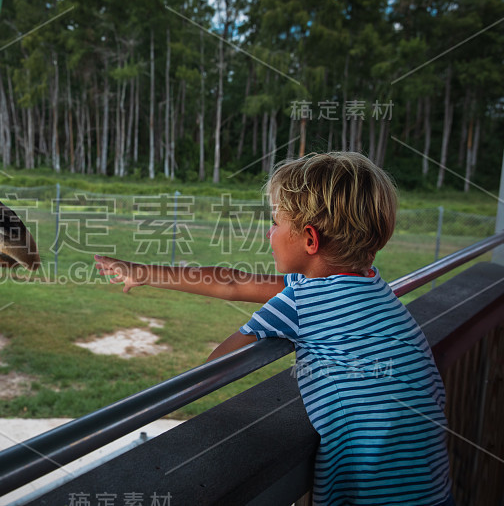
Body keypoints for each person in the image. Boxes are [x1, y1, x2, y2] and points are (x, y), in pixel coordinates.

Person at [94, 152, 453, 506]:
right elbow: (232, 283)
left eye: (276, 223)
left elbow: (214, 367)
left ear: (310, 240)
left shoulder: (302, 303)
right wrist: (144, 272)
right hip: (431, 485)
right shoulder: (369, 286)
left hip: (375, 494)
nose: (269, 232)